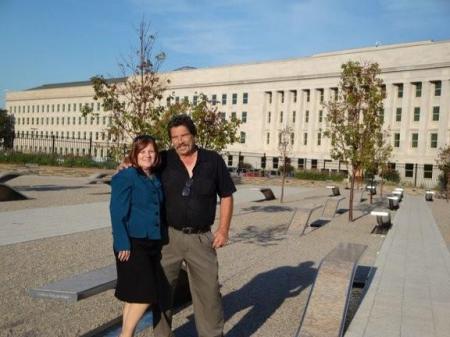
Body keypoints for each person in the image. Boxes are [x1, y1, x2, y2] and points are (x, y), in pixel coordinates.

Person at [152, 114, 236, 337]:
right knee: (161, 292)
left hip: (201, 239)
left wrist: (223, 229)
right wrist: (125, 164)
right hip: (168, 238)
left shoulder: (213, 161)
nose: (180, 141)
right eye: (175, 137)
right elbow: (139, 163)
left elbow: (227, 195)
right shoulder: (163, 160)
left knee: (208, 294)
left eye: (184, 135)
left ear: (194, 135)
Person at [110, 135, 164, 337]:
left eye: (151, 151)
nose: (147, 155)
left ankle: (125, 334)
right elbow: (117, 212)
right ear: (135, 154)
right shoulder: (126, 176)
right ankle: (126, 336)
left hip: (151, 242)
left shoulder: (153, 175)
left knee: (133, 296)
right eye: (142, 152)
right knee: (145, 295)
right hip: (132, 243)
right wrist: (122, 242)